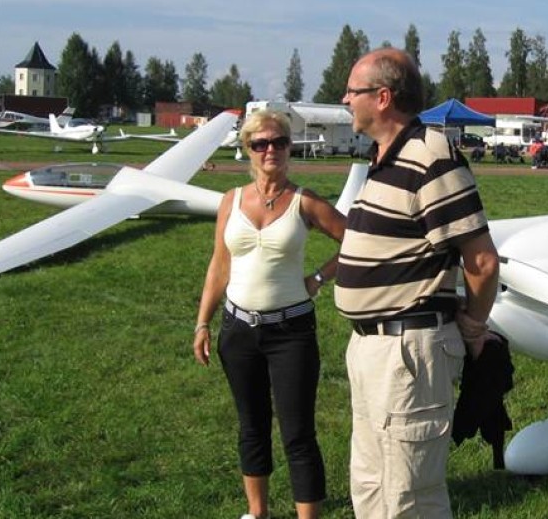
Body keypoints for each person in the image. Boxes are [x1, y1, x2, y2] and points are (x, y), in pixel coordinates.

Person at [336, 48, 500, 518]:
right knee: (372, 486)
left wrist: (473, 325)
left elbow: (482, 261)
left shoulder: (430, 156)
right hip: (373, 350)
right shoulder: (386, 158)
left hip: (406, 355)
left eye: (352, 91)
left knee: (408, 497)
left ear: (383, 97)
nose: (345, 100)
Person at [193, 110, 345, 519]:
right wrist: (203, 322)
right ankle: (257, 512)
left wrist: (318, 277)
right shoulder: (231, 201)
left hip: (291, 331)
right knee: (251, 426)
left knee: (298, 433)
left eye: (279, 142)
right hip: (238, 331)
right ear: (248, 149)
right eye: (260, 144)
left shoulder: (305, 201)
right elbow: (219, 266)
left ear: (290, 147)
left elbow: (354, 241)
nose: (270, 150)